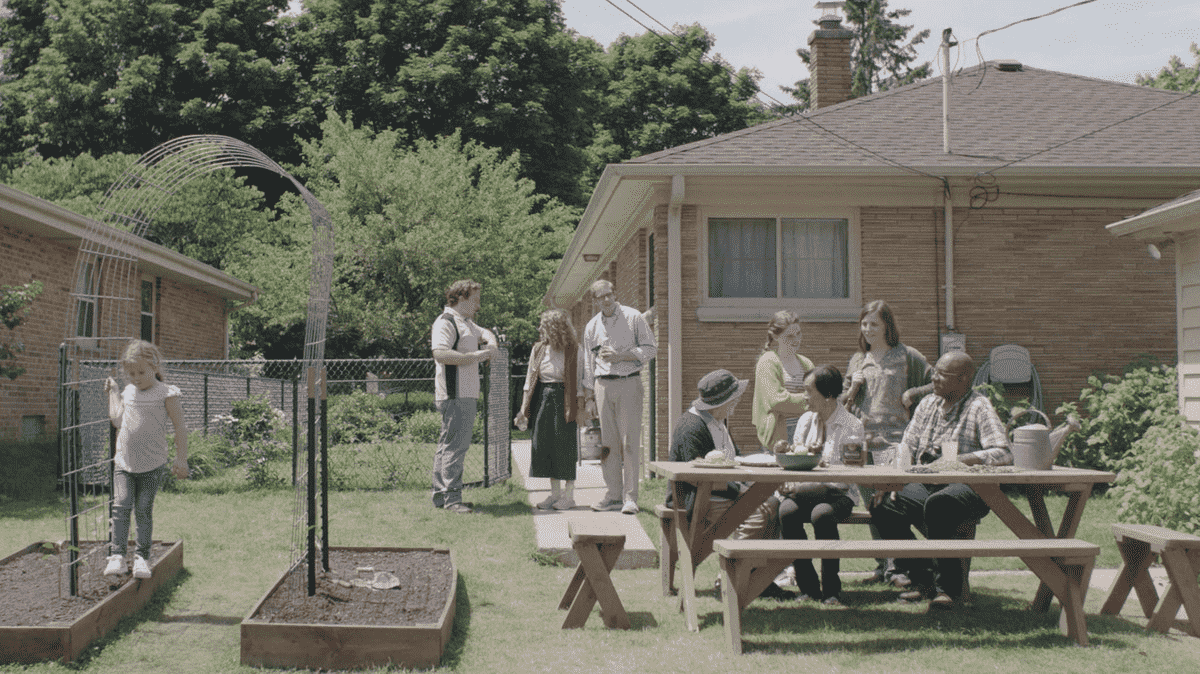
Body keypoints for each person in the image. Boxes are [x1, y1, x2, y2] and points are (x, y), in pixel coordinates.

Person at [868, 351, 1012, 609]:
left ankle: (948, 589)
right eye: (935, 372)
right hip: (927, 482)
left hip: (968, 487)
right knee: (883, 504)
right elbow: (907, 447)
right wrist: (890, 480)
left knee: (939, 504)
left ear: (964, 379)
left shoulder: (978, 406)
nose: (934, 378)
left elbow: (1002, 452)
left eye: (942, 375)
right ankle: (922, 580)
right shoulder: (926, 405)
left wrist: (961, 461)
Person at [666, 369, 796, 601]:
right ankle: (729, 578)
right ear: (722, 402)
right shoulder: (691, 427)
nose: (736, 403)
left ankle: (758, 578)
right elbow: (697, 478)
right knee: (760, 514)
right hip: (695, 500)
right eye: (733, 399)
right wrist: (743, 490)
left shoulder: (718, 421)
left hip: (720, 491)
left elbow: (732, 459)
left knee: (773, 504)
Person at [843, 300, 933, 585]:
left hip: (895, 443)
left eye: (874, 324)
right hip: (863, 444)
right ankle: (884, 565)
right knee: (872, 506)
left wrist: (912, 394)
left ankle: (899, 566)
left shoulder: (907, 356)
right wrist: (854, 385)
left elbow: (936, 383)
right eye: (864, 323)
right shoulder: (858, 359)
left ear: (887, 326)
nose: (868, 329)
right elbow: (843, 405)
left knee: (890, 503)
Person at [103, 340, 189, 579]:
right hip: (124, 463)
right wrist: (113, 392)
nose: (136, 377)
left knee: (142, 509)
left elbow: (180, 428)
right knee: (120, 506)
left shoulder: (166, 393)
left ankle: (142, 557)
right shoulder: (128, 391)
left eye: (141, 372)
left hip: (152, 465)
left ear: (155, 366)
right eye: (130, 373)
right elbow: (117, 420)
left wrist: (181, 459)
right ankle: (117, 556)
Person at [779, 365, 862, 606]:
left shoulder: (852, 425)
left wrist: (815, 478)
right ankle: (808, 587)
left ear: (827, 394)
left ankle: (832, 590)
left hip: (839, 493)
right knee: (786, 511)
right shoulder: (805, 420)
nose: (804, 397)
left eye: (808, 391)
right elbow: (796, 458)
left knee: (822, 514)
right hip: (805, 490)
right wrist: (790, 481)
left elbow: (849, 476)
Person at [582, 279, 656, 515]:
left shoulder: (634, 317)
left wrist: (622, 356)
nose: (606, 299)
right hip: (603, 385)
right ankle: (613, 494)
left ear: (615, 294)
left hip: (629, 383)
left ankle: (630, 498)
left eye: (609, 294)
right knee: (608, 445)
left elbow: (651, 349)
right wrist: (590, 396)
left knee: (629, 443)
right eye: (601, 297)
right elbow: (588, 363)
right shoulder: (592, 327)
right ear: (594, 301)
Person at [431, 279, 498, 514]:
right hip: (455, 393)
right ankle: (452, 499)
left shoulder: (466, 322)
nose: (478, 306)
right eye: (475, 300)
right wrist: (478, 355)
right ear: (461, 297)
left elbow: (486, 333)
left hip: (465, 393)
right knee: (455, 447)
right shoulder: (446, 321)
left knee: (448, 445)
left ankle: (442, 496)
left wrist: (491, 342)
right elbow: (440, 353)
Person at [514, 309, 585, 510]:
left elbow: (579, 381)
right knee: (544, 445)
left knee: (565, 446)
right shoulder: (538, 349)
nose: (541, 330)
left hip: (566, 398)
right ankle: (554, 494)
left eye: (545, 327)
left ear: (556, 329)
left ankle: (569, 496)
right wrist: (522, 410)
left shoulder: (574, 349)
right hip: (543, 397)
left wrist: (580, 408)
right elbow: (529, 380)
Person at [751, 310, 813, 450]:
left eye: (798, 334)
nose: (796, 339)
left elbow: (817, 395)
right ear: (775, 336)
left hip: (805, 434)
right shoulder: (768, 362)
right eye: (790, 336)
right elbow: (777, 401)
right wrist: (809, 400)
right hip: (779, 436)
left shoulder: (806, 363)